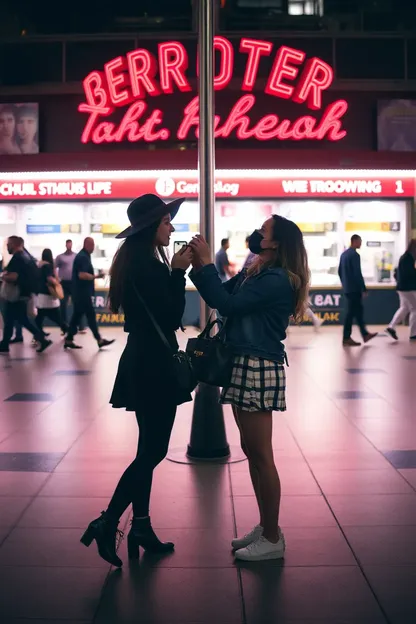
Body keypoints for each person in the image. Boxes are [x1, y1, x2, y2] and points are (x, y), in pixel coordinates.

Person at [80, 193, 193, 567]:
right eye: (166, 222)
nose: (171, 227)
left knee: (148, 447)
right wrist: (178, 272)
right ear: (150, 228)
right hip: (154, 365)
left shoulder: (136, 262)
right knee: (153, 451)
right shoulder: (151, 267)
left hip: (142, 360)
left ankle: (141, 525)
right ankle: (108, 520)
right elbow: (171, 316)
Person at [189, 215, 309, 562]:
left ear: (276, 243)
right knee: (251, 449)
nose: (257, 234)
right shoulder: (257, 270)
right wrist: (201, 266)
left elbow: (226, 306)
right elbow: (219, 295)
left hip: (259, 365)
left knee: (261, 454)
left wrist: (208, 263)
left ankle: (272, 537)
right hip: (245, 362)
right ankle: (266, 525)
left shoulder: (276, 280)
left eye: (264, 231)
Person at [0, 236, 51, 354]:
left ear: (14, 244)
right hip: (24, 293)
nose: (7, 247)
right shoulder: (27, 257)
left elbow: (14, 276)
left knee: (20, 319)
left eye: (8, 244)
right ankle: (5, 343)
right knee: (12, 319)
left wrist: (3, 276)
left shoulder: (18, 258)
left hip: (17, 294)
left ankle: (42, 339)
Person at [64, 237, 114, 350]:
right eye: (92, 245)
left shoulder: (84, 256)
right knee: (90, 316)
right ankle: (99, 340)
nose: (93, 248)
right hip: (82, 294)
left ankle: (69, 339)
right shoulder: (83, 257)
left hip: (79, 293)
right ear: (87, 244)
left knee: (77, 316)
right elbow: (81, 275)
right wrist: (97, 276)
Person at [338, 235, 377, 347]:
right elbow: (357, 273)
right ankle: (346, 338)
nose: (360, 244)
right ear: (354, 241)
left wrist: (345, 284)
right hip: (354, 289)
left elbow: (340, 271)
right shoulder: (355, 255)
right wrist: (363, 288)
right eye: (360, 241)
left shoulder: (344, 254)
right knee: (351, 313)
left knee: (357, 311)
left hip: (348, 289)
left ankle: (365, 334)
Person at [386, 239, 416, 341]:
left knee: (404, 308)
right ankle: (413, 334)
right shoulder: (408, 259)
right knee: (415, 309)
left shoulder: (405, 257)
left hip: (401, 287)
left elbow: (397, 273)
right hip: (408, 288)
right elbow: (410, 274)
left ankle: (391, 327)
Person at [35, 249, 68, 335]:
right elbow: (49, 278)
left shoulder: (39, 265)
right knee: (55, 317)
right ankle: (66, 328)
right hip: (49, 294)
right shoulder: (48, 266)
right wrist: (57, 282)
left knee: (40, 317)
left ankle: (38, 334)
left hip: (41, 294)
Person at [56, 239, 86, 333]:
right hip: (64, 283)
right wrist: (57, 279)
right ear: (65, 245)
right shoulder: (60, 257)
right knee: (63, 305)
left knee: (77, 304)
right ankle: (64, 326)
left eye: (70, 244)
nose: (69, 246)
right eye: (67, 244)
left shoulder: (76, 256)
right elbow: (54, 267)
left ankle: (80, 326)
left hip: (74, 283)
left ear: (72, 245)